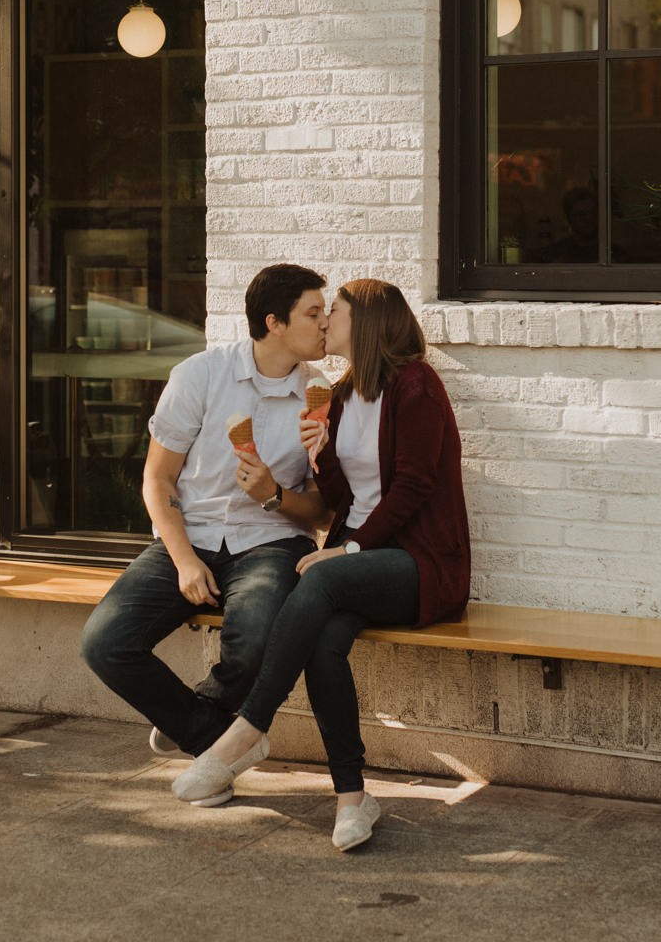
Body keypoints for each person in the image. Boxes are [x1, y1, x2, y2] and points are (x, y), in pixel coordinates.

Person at [172, 279, 471, 850]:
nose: (326, 319)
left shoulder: (417, 387)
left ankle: (247, 730)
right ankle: (353, 799)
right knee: (323, 641)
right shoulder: (341, 390)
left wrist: (348, 550)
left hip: (422, 563)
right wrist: (321, 451)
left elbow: (412, 486)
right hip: (358, 557)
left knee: (320, 570)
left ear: (369, 322)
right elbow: (342, 496)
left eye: (335, 310)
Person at [81, 263, 330, 805]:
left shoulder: (319, 397)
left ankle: (203, 734)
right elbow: (157, 478)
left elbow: (321, 515)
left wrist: (273, 493)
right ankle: (215, 740)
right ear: (275, 322)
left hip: (270, 538)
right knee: (105, 642)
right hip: (188, 535)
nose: (326, 324)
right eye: (314, 313)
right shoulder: (200, 375)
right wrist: (184, 560)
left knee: (259, 637)